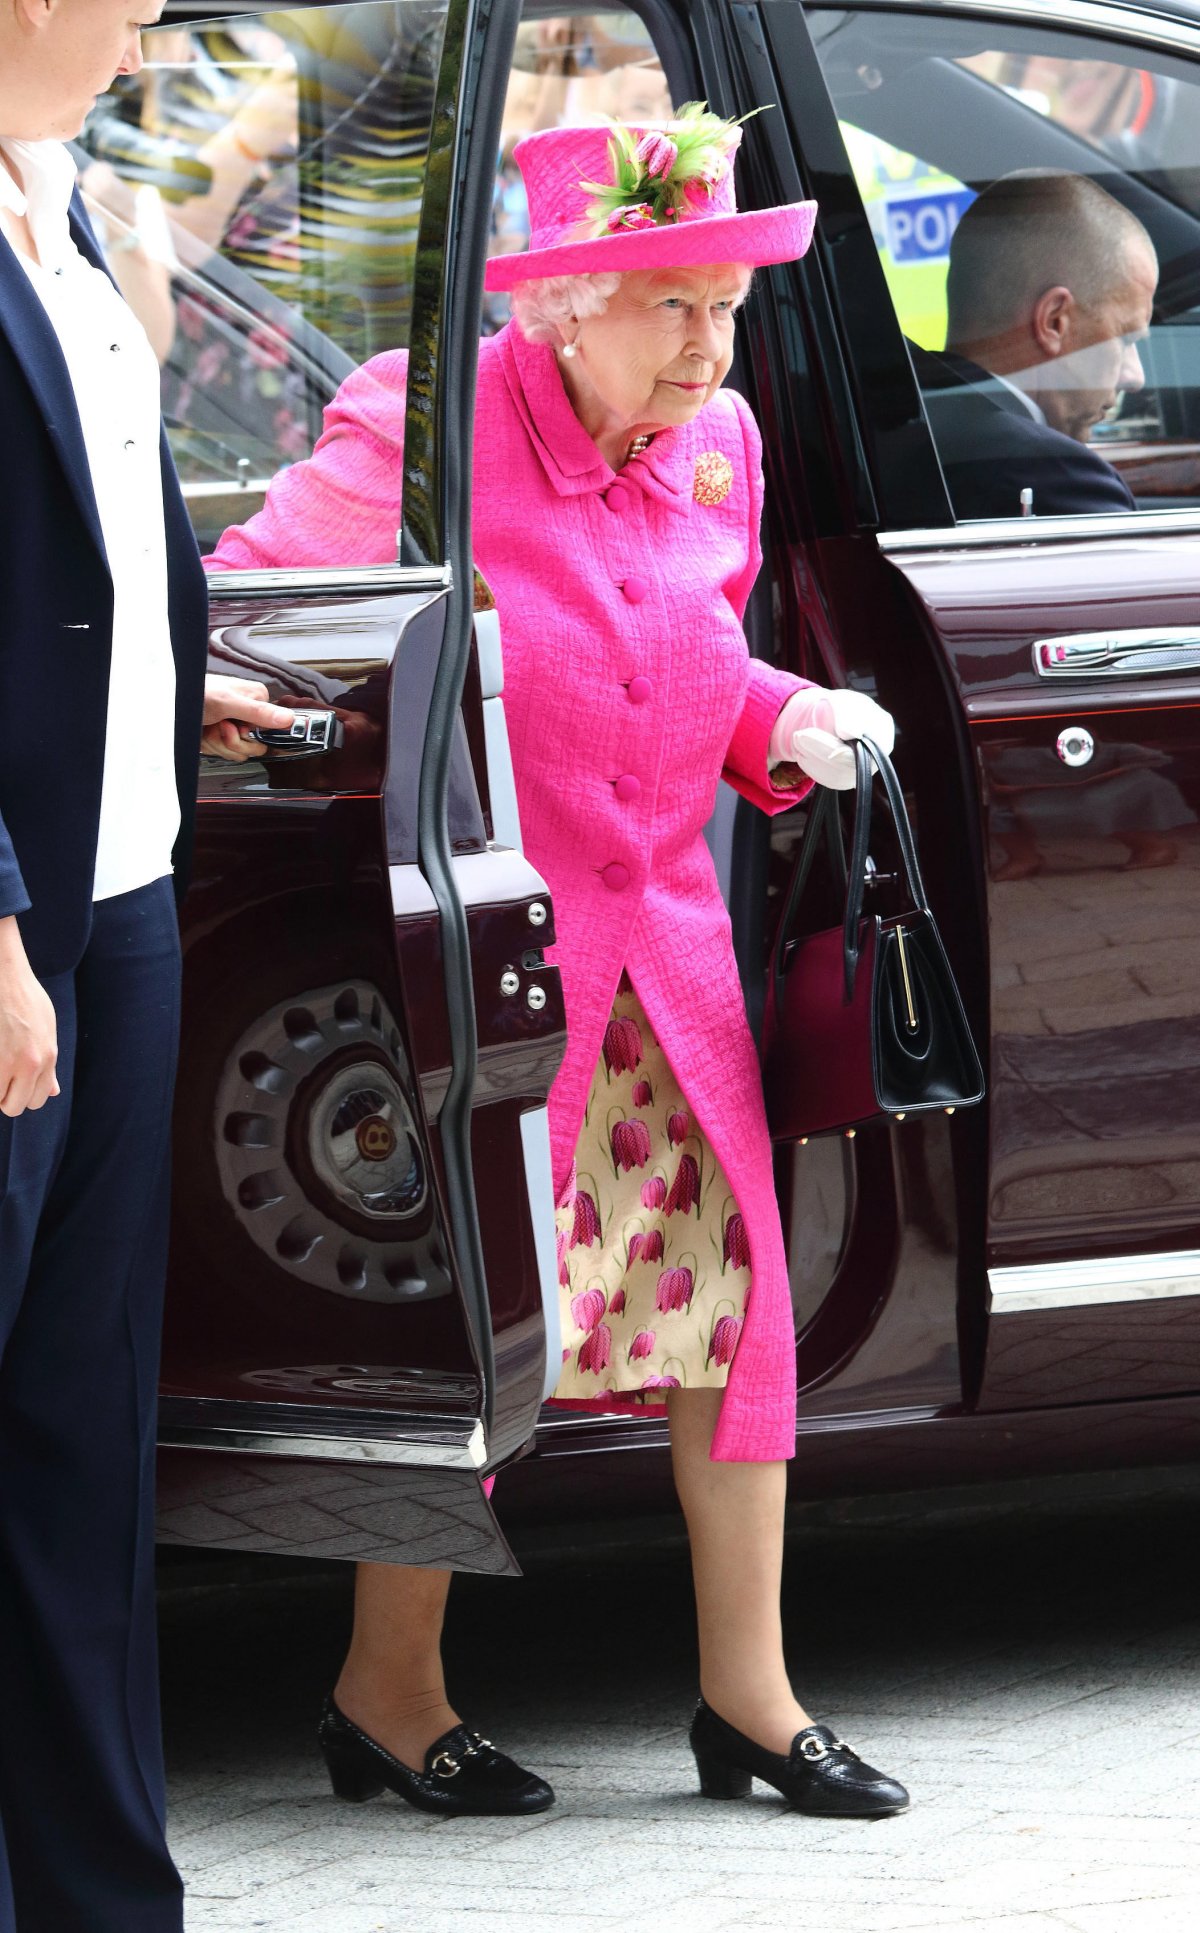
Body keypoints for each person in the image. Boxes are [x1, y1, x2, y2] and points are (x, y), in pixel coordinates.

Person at [210, 103, 910, 1821]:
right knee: (486, 1321)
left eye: (726, 306)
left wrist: (787, 714)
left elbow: (696, 649)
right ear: (554, 308)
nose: (707, 346)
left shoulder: (720, 441)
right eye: (669, 302)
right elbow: (247, 608)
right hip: (492, 951)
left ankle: (752, 1698)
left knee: (733, 1301)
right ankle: (389, 1691)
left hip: (671, 953)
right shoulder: (421, 427)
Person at [0, 3, 295, 1926]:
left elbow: (102, 545)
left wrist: (202, 691)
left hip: (122, 892)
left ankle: (111, 1902)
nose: (160, 15)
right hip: (10, 919)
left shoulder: (83, 209)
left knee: (79, 1448)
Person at [913, 170, 1158, 519]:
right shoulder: (1054, 476)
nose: (1136, 377)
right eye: (1126, 338)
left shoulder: (907, 420)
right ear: (1054, 321)